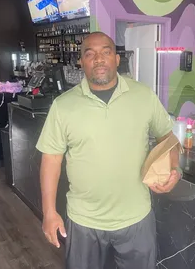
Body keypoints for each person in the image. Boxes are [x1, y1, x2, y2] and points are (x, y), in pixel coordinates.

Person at [36, 31, 181, 269]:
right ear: (81, 62)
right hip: (84, 221)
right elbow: (51, 159)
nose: (99, 58)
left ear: (116, 59)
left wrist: (173, 168)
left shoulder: (143, 96)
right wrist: (49, 212)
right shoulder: (63, 106)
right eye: (90, 53)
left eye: (106, 52)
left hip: (136, 218)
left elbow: (168, 137)